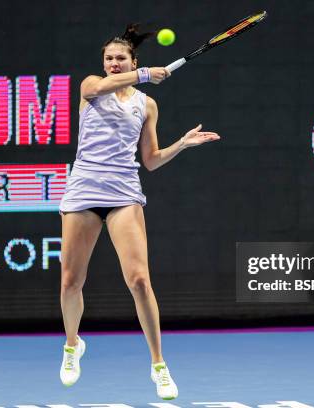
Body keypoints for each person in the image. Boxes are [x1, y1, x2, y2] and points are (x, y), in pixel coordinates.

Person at [58, 24, 220, 400]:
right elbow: (98, 88)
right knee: (70, 281)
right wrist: (146, 74)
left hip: (123, 192)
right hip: (83, 190)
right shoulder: (90, 87)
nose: (113, 64)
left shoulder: (146, 104)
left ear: (133, 59)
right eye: (109, 59)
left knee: (139, 281)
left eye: (121, 59)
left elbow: (150, 160)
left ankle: (159, 365)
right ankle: (71, 346)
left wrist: (181, 144)